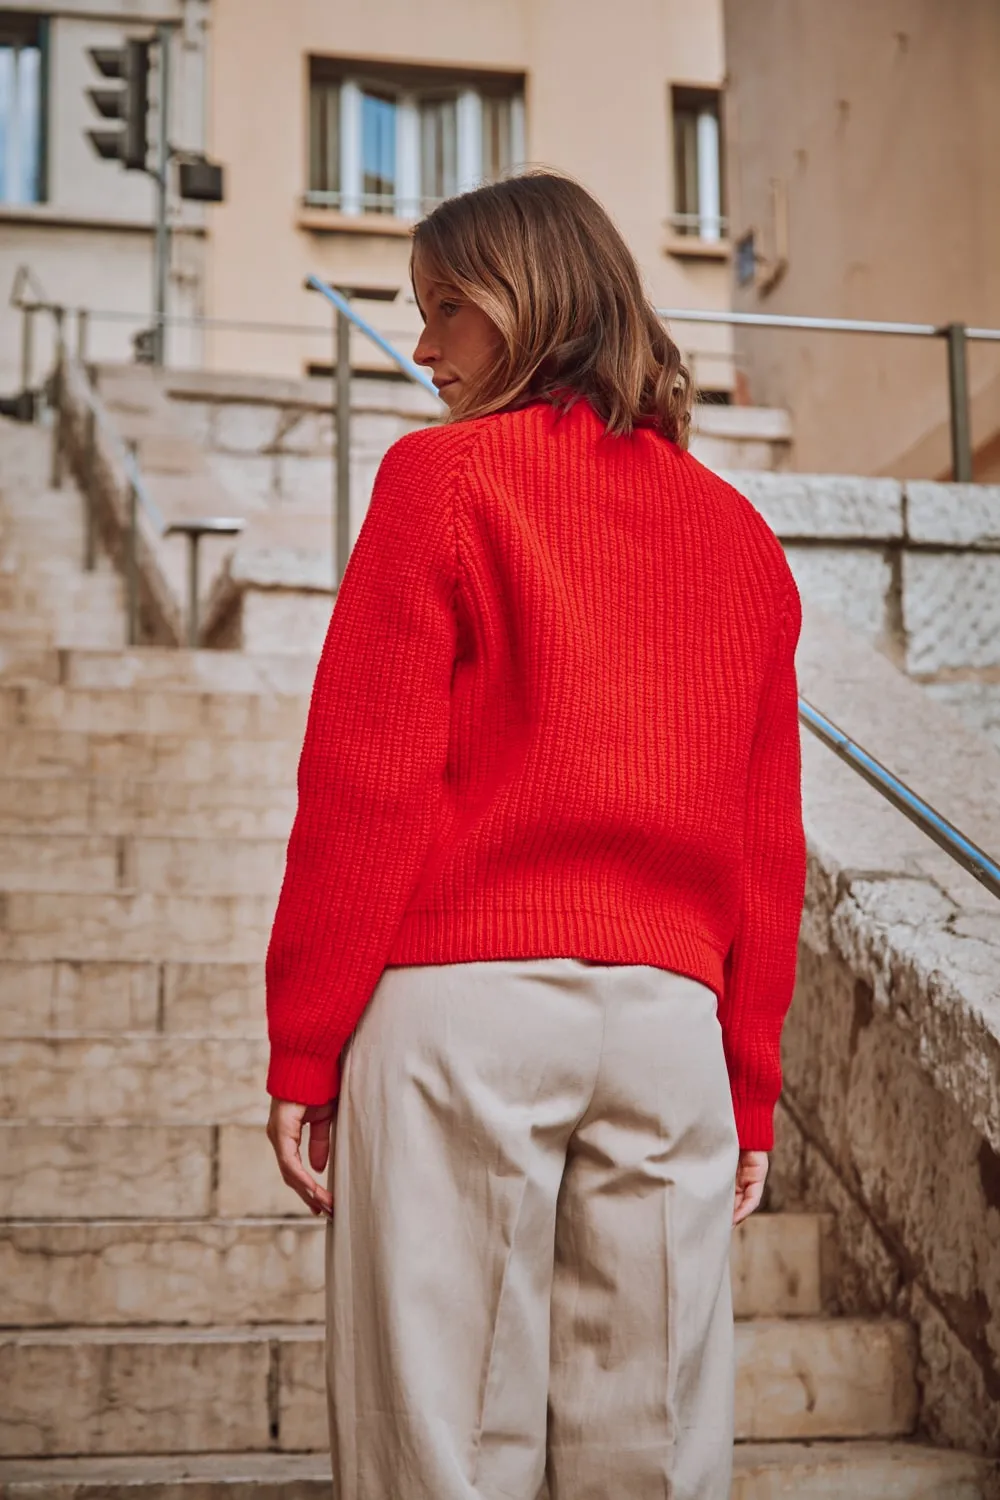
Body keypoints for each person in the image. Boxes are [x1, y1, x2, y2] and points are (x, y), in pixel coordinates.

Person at [264, 171, 807, 1500]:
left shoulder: (440, 480)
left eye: (449, 309)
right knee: (656, 1455)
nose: (427, 346)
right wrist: (747, 1086)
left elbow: (366, 784)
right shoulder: (741, 537)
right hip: (669, 1030)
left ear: (534, 306)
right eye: (419, 313)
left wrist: (306, 1039)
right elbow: (764, 846)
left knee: (441, 1444)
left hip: (463, 1014)